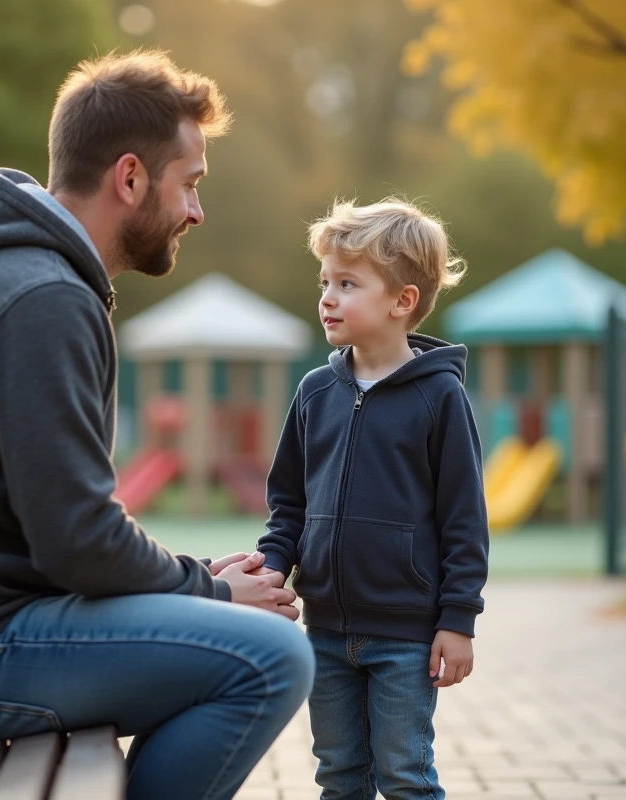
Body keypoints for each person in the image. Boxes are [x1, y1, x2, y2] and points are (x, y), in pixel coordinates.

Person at [0, 50, 313, 800]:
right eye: (190, 184)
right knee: (275, 656)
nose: (196, 212)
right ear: (129, 178)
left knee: (251, 642)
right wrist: (207, 596)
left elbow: (62, 533)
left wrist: (190, 581)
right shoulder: (41, 296)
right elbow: (77, 540)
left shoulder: (15, 273)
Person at [255, 199, 489, 800]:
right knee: (339, 777)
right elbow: (289, 503)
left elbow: (465, 520)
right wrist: (273, 569)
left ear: (402, 301)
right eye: (325, 282)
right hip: (325, 629)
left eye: (348, 283)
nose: (327, 297)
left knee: (405, 776)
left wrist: (457, 620)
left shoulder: (439, 398)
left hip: (406, 638)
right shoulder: (314, 392)